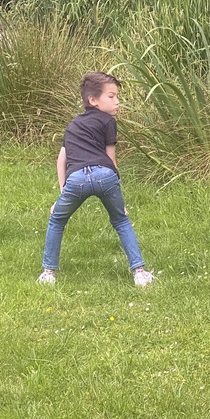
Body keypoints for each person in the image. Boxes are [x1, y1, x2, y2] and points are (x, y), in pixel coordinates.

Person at [38, 72, 155, 287]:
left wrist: (63, 194)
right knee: (120, 220)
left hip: (76, 179)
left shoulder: (72, 126)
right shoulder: (108, 121)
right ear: (93, 100)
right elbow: (111, 159)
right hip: (105, 175)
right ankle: (139, 273)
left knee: (57, 219)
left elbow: (61, 160)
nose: (117, 101)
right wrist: (120, 201)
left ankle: (48, 274)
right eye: (111, 97)